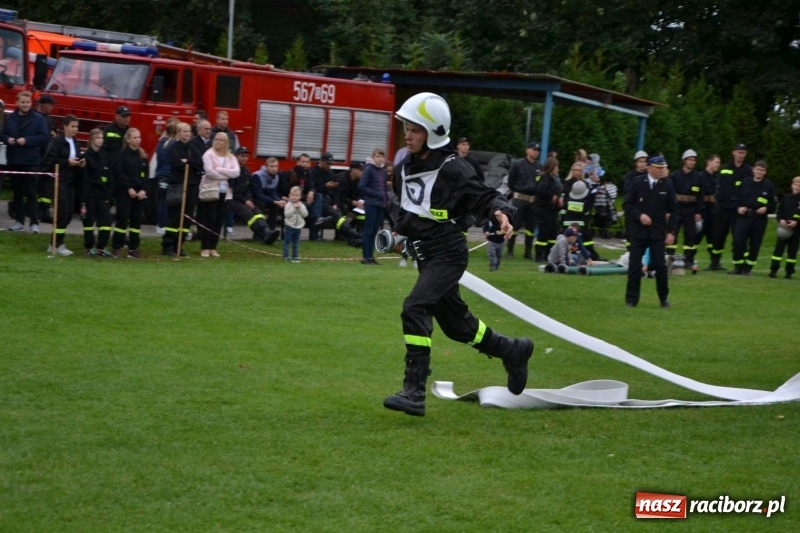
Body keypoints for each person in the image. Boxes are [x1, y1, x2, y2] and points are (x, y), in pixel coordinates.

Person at [383, 92, 533, 417]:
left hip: (448, 253)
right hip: (426, 255)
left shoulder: (454, 168)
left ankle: (414, 391)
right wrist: (398, 234)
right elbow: (409, 211)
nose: (408, 134)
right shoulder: (404, 167)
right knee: (458, 327)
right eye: (407, 127)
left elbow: (485, 196)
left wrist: (501, 212)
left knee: (415, 307)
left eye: (416, 129)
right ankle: (512, 350)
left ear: (434, 132)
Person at [623, 155, 677, 308]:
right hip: (638, 232)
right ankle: (631, 299)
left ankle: (663, 298)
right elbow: (627, 205)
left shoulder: (667, 185)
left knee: (660, 266)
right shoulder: (637, 182)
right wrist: (639, 215)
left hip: (657, 232)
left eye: (663, 168)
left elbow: (674, 210)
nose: (661, 170)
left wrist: (671, 231)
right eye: (659, 168)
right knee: (634, 266)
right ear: (650, 168)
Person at [1, 90, 49, 233]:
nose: (25, 104)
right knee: (17, 193)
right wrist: (7, 139)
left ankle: (34, 223)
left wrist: (27, 141)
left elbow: (44, 137)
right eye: (22, 102)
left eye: (27, 102)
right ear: (17, 103)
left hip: (31, 161)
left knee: (31, 193)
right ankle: (19, 221)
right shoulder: (10, 118)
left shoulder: (38, 118)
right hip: (14, 160)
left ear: (31, 103)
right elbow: (2, 134)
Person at [43, 114, 84, 256]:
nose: (75, 129)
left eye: (77, 127)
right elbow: (49, 162)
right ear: (65, 126)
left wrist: (79, 163)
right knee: (62, 212)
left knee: (69, 213)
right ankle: (55, 244)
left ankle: (58, 241)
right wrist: (67, 162)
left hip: (71, 182)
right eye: (72, 126)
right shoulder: (57, 142)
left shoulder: (76, 142)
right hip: (59, 181)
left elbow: (76, 158)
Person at [162, 122, 203, 257]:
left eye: (188, 131)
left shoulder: (192, 147)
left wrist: (188, 161)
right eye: (184, 131)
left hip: (191, 185)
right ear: (178, 133)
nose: (186, 134)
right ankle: (168, 245)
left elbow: (199, 163)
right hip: (178, 185)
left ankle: (179, 245)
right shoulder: (174, 147)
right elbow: (177, 164)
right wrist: (187, 163)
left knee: (187, 217)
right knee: (174, 216)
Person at [709, 143, 752, 270]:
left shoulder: (748, 171)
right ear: (733, 152)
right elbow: (719, 186)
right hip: (723, 208)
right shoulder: (725, 168)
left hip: (738, 210)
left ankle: (739, 264)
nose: (741, 155)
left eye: (743, 153)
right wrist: (718, 201)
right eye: (739, 152)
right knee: (718, 235)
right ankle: (715, 262)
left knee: (738, 237)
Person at [730, 160, 776, 275]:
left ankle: (748, 268)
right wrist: (739, 207)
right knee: (738, 241)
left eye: (762, 170)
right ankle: (738, 266)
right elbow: (735, 198)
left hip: (759, 219)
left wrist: (766, 208)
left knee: (755, 244)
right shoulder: (745, 182)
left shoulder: (769, 186)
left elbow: (773, 204)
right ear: (753, 170)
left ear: (765, 172)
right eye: (757, 169)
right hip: (744, 217)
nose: (759, 172)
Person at [198, 132, 239, 258]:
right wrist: (227, 175)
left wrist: (220, 170)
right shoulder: (208, 154)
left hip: (225, 193)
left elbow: (236, 172)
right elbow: (209, 172)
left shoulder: (231, 157)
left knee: (218, 220)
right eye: (216, 139)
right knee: (210, 218)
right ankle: (205, 247)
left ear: (226, 143)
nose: (218, 142)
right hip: (210, 191)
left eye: (221, 140)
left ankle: (213, 247)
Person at [227, 146, 279, 244]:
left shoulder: (246, 171)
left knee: (257, 210)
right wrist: (245, 201)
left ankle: (266, 231)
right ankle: (263, 234)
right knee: (247, 213)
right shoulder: (231, 170)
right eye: (242, 156)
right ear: (236, 156)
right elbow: (233, 190)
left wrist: (248, 199)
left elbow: (249, 188)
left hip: (244, 199)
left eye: (246, 156)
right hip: (232, 199)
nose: (245, 158)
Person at [111, 128, 148, 259]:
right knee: (122, 220)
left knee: (136, 222)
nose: (137, 140)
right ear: (128, 140)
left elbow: (145, 175)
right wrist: (129, 188)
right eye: (134, 138)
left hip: (139, 194)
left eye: (139, 137)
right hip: (125, 192)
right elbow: (120, 173)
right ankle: (117, 246)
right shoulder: (121, 155)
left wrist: (143, 190)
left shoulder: (142, 156)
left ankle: (133, 248)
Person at [668, 149, 704, 271]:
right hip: (677, 208)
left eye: (694, 160)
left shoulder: (698, 177)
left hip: (691, 209)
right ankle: (669, 257)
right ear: (684, 161)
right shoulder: (675, 176)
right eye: (690, 160)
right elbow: (670, 194)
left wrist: (698, 212)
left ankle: (688, 259)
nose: (692, 162)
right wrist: (669, 210)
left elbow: (700, 196)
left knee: (690, 236)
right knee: (673, 232)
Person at [80, 128, 114, 257]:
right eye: (98, 138)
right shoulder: (85, 157)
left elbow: (109, 176)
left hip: (102, 193)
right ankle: (89, 247)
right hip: (89, 193)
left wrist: (109, 194)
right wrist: (83, 197)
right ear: (91, 140)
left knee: (106, 221)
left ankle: (101, 247)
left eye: (102, 138)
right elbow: (82, 179)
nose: (100, 140)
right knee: (88, 221)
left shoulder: (105, 156)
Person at [506, 141, 542, 258]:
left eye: (537, 150)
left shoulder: (539, 167)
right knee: (515, 225)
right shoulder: (518, 164)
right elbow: (511, 181)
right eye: (533, 149)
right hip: (519, 199)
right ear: (527, 150)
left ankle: (528, 252)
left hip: (532, 201)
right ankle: (510, 250)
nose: (536, 152)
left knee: (530, 227)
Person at [358, 149, 389, 265]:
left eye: (382, 157)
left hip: (381, 204)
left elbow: (384, 188)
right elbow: (362, 186)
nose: (380, 159)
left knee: (374, 232)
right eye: (377, 156)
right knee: (368, 231)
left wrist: (385, 198)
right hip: (371, 204)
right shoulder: (369, 169)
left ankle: (371, 256)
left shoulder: (383, 172)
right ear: (373, 157)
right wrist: (377, 194)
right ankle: (365, 257)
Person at [769, 176, 800, 279]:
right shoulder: (786, 197)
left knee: (792, 252)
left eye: (799, 185)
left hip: (796, 230)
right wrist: (781, 219)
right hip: (783, 229)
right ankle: (773, 270)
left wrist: (796, 222)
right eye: (795, 184)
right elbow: (779, 212)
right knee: (778, 251)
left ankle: (789, 272)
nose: (797, 187)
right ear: (792, 185)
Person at [533, 157, 563, 261]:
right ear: (552, 167)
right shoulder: (545, 177)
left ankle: (548, 254)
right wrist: (552, 197)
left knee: (552, 233)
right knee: (544, 232)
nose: (558, 169)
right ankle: (539, 254)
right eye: (556, 167)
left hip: (552, 210)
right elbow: (541, 190)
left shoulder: (553, 178)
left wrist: (558, 201)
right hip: (544, 210)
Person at [35, 94, 57, 223]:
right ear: (42, 105)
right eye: (50, 104)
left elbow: (52, 134)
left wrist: (54, 136)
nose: (52, 107)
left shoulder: (49, 120)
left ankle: (44, 209)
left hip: (47, 157)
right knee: (36, 184)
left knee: (46, 185)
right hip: (37, 156)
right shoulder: (35, 117)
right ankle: (35, 209)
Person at [696, 154, 721, 265]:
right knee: (698, 236)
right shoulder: (700, 176)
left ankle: (715, 262)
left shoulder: (717, 178)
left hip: (713, 212)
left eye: (719, 163)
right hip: (703, 210)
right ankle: (689, 258)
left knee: (713, 237)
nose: (718, 165)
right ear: (709, 162)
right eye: (716, 162)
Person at [251, 157, 287, 232]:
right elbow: (259, 195)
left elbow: (273, 193)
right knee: (262, 204)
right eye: (271, 166)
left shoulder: (276, 177)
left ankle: (271, 231)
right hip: (253, 198)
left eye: (276, 166)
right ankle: (259, 232)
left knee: (275, 205)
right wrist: (274, 201)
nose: (274, 169)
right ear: (266, 167)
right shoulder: (257, 176)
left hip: (265, 198)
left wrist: (279, 201)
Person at [283, 186, 308, 262]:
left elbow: (305, 214)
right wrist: (293, 208)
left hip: (298, 227)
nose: (294, 197)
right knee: (287, 242)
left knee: (296, 243)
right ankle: (286, 256)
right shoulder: (288, 205)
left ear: (300, 197)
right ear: (289, 195)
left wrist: (300, 208)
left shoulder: (302, 205)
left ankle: (295, 257)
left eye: (296, 195)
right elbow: (286, 214)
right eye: (292, 195)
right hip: (289, 226)